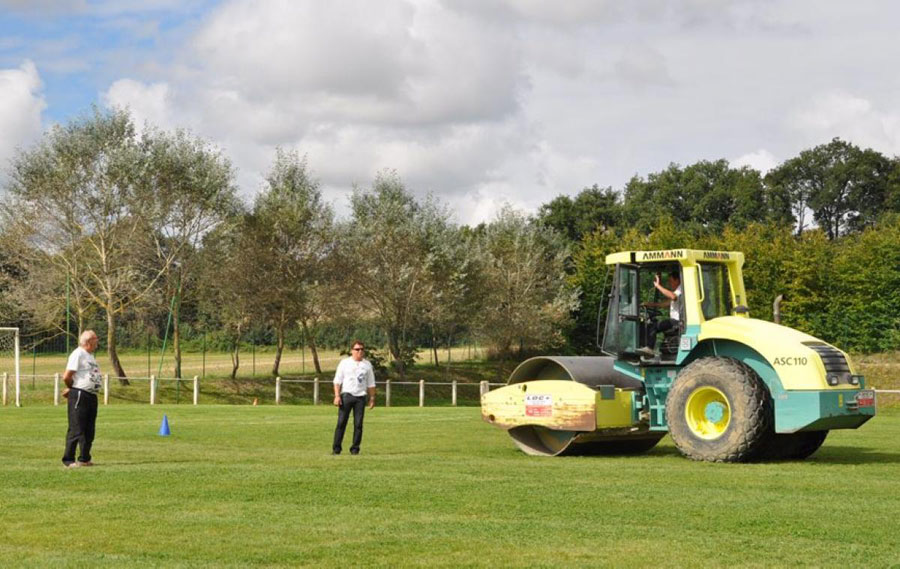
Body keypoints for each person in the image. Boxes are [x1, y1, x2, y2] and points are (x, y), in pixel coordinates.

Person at [61, 330, 103, 468]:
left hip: (91, 395)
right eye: (96, 339)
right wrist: (72, 389)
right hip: (80, 394)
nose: (98, 341)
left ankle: (84, 458)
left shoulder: (90, 356)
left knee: (89, 429)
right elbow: (67, 376)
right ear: (89, 341)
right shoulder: (78, 353)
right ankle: (69, 460)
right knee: (76, 427)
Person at [332, 340, 376, 455]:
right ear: (352, 351)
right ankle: (336, 448)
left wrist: (372, 398)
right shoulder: (345, 363)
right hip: (346, 396)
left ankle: (355, 449)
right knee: (341, 422)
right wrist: (337, 396)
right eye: (357, 349)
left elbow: (371, 383)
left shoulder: (367, 365)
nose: (360, 351)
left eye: (362, 349)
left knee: (358, 424)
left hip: (360, 397)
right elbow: (337, 380)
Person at [636, 271, 683, 358]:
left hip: (676, 321)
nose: (669, 283)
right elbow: (665, 304)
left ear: (677, 280)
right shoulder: (678, 291)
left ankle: (649, 348)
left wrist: (658, 286)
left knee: (653, 326)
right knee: (658, 325)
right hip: (676, 321)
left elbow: (673, 297)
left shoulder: (680, 289)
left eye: (671, 281)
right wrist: (650, 304)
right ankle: (660, 350)